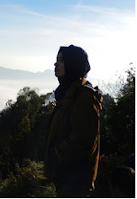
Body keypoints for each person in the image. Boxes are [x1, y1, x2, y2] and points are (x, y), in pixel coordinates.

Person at [44, 45, 103, 197]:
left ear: (73, 64)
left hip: (75, 181)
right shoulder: (68, 93)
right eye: (56, 60)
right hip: (66, 178)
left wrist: (58, 152)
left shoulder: (84, 97)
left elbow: (83, 140)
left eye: (62, 60)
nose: (55, 64)